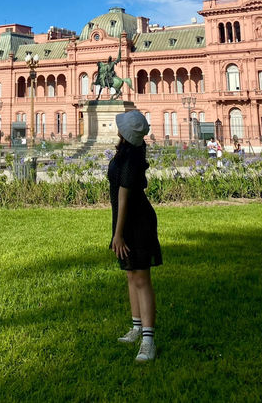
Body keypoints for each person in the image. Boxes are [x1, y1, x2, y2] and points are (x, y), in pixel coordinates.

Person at [108, 110, 162, 364]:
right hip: (127, 217)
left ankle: (148, 340)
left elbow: (124, 195)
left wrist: (118, 234)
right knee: (131, 275)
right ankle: (137, 327)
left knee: (141, 278)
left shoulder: (130, 158)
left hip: (136, 220)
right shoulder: (126, 151)